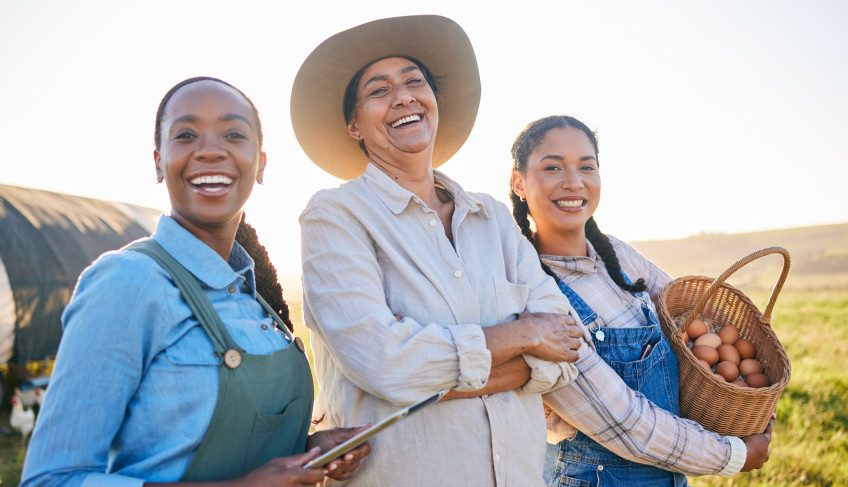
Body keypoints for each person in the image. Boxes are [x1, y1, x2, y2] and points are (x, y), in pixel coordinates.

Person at [21, 76, 369, 486]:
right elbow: (51, 479)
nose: (210, 150)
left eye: (233, 134)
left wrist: (307, 449)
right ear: (157, 162)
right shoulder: (128, 282)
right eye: (186, 134)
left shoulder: (256, 301)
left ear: (260, 163)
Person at [291, 15, 586, 487]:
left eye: (414, 82)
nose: (404, 96)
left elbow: (572, 348)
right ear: (353, 124)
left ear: (433, 101)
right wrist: (525, 334)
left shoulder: (491, 217)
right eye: (379, 90)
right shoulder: (336, 216)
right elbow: (383, 362)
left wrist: (427, 383)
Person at [509, 115, 775, 486]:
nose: (574, 181)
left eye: (587, 166)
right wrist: (733, 454)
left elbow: (689, 312)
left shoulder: (615, 253)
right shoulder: (534, 292)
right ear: (519, 182)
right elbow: (625, 423)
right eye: (552, 167)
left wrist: (746, 383)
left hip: (666, 474)